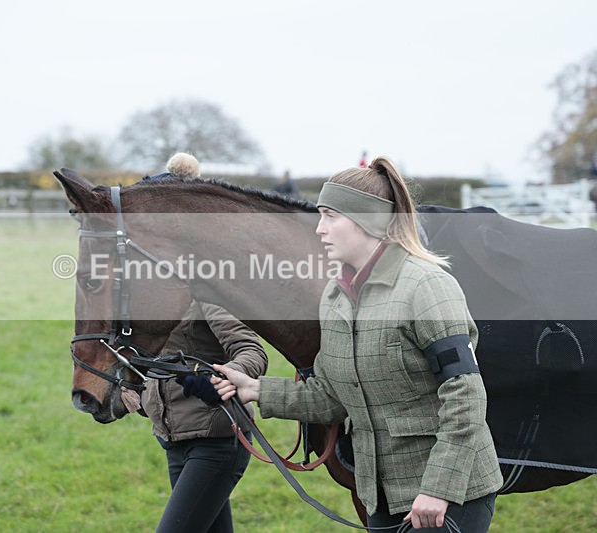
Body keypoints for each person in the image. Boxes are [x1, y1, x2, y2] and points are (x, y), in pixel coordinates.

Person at [212, 156, 503, 532]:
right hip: (379, 496)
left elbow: (465, 396)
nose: (319, 229)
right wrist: (254, 389)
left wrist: (438, 489)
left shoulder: (427, 286)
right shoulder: (335, 297)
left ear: (368, 219)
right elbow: (332, 396)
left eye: (330, 216)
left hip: (447, 496)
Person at [138, 153, 269, 533]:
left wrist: (226, 376)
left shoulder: (206, 286)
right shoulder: (149, 294)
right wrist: (135, 391)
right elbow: (151, 362)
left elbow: (252, 351)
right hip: (173, 439)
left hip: (215, 442)